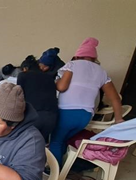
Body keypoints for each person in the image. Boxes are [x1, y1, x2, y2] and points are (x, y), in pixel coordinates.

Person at [49, 37, 124, 170]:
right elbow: (115, 98)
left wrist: (54, 83)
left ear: (77, 56)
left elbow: (61, 87)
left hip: (67, 113)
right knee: (65, 139)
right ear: (94, 59)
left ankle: (54, 171)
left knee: (56, 141)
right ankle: (65, 167)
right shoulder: (101, 72)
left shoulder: (72, 65)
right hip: (85, 116)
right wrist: (119, 118)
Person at [17, 55, 58, 141]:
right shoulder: (49, 78)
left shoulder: (23, 76)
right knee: (40, 144)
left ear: (25, 68)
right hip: (52, 117)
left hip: (33, 116)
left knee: (26, 144)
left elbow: (19, 96)